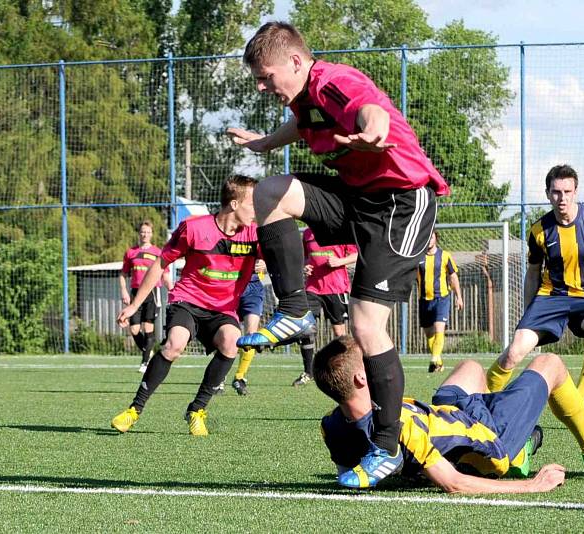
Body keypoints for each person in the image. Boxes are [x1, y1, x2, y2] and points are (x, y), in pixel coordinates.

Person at [227, 22, 448, 485]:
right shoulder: (304, 99)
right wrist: (265, 142)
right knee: (270, 193)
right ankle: (294, 310)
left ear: (294, 61)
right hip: (358, 198)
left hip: (400, 204)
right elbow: (302, 123)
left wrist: (372, 132)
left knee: (367, 325)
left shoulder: (334, 81)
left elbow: (371, 110)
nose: (263, 87)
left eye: (267, 77)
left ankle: (386, 447)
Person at [315, 335, 584, 492]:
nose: (380, 362)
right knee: (550, 363)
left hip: (451, 415)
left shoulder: (331, 425)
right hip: (487, 440)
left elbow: (354, 473)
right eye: (371, 360)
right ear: (360, 379)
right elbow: (453, 483)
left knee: (470, 368)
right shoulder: (399, 427)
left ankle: (522, 437)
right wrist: (531, 486)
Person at [110, 175, 260, 437]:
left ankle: (197, 410)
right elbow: (160, 263)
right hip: (188, 301)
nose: (257, 211)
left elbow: (282, 257)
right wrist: (134, 305)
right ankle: (134, 410)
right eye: (252, 204)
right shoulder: (193, 228)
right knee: (175, 344)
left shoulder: (256, 235)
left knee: (231, 340)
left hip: (222, 309)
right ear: (234, 204)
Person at [486, 165, 584, 400]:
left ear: (576, 192)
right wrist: (529, 310)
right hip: (551, 297)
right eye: (556, 192)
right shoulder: (539, 230)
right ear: (547, 193)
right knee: (514, 351)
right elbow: (532, 273)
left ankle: (578, 400)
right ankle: (484, 398)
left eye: (567, 191)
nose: (562, 198)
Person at [292, 228, 357, 387]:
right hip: (312, 288)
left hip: (335, 288)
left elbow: (356, 254)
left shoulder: (341, 231)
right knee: (306, 328)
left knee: (339, 332)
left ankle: (343, 371)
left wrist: (339, 261)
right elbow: (306, 258)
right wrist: (305, 266)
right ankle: (308, 372)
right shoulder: (307, 233)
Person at [119, 221, 174, 373]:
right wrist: (124, 291)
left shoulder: (158, 252)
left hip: (152, 293)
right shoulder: (131, 252)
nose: (145, 234)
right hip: (135, 293)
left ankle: (145, 362)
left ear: (151, 234)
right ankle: (147, 350)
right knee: (134, 330)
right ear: (139, 233)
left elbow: (165, 274)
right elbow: (123, 274)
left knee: (147, 327)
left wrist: (172, 290)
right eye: (143, 231)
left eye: (148, 232)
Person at [417, 231, 464, 373]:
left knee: (439, 329)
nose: (429, 240)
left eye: (431, 237)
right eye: (426, 237)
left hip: (441, 298)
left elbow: (453, 277)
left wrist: (459, 296)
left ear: (436, 238)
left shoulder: (445, 256)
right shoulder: (418, 257)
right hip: (424, 300)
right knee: (429, 334)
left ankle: (434, 358)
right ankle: (439, 363)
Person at [230, 258, 268, 396]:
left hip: (253, 288)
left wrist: (265, 264)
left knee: (251, 336)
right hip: (230, 285)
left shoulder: (260, 238)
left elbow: (275, 257)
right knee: (227, 335)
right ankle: (219, 379)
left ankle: (239, 377)